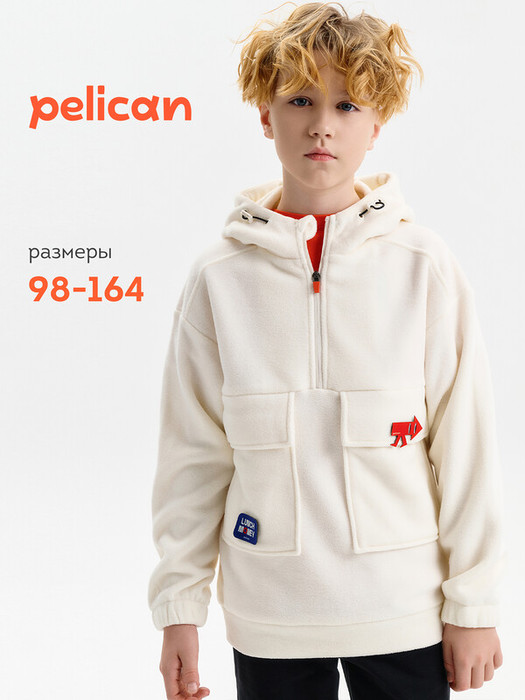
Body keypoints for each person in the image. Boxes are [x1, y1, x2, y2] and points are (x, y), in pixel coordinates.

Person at [148, 3, 506, 698]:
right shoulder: (218, 279)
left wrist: (474, 604)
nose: (321, 125)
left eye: (346, 105)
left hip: (403, 611)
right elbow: (192, 455)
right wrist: (179, 608)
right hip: (269, 617)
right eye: (299, 100)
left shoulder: (423, 266)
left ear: (376, 126)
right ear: (264, 114)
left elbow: (465, 445)